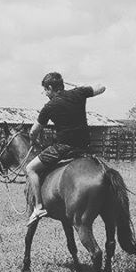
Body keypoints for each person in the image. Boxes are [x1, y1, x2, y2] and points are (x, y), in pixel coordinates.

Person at [26, 72, 106, 226]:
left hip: (63, 148)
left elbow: (33, 131)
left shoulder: (49, 106)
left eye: (46, 91)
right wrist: (80, 88)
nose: (46, 94)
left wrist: (33, 140)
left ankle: (38, 207)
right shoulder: (79, 93)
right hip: (84, 148)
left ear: (50, 88)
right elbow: (102, 87)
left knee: (30, 168)